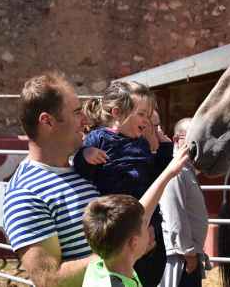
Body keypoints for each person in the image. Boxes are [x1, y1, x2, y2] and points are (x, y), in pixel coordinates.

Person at [2, 72, 99, 287]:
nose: (85, 120)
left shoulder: (84, 169)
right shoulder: (24, 193)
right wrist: (121, 253)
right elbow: (50, 280)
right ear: (47, 121)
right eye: (76, 113)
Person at [74, 81, 173, 287]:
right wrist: (85, 154)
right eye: (142, 114)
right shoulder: (98, 138)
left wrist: (165, 149)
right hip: (118, 228)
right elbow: (82, 169)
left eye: (148, 115)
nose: (147, 121)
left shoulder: (142, 143)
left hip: (147, 225)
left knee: (150, 274)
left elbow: (155, 177)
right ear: (118, 113)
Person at [82, 145, 189, 287]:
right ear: (134, 242)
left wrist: (169, 172)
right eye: (145, 226)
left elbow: (142, 213)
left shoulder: (99, 266)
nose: (148, 225)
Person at [158, 118, 209, 287]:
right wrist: (188, 253)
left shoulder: (186, 168)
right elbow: (175, 214)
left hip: (187, 254)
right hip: (182, 258)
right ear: (176, 140)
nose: (196, 146)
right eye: (190, 141)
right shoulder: (176, 170)